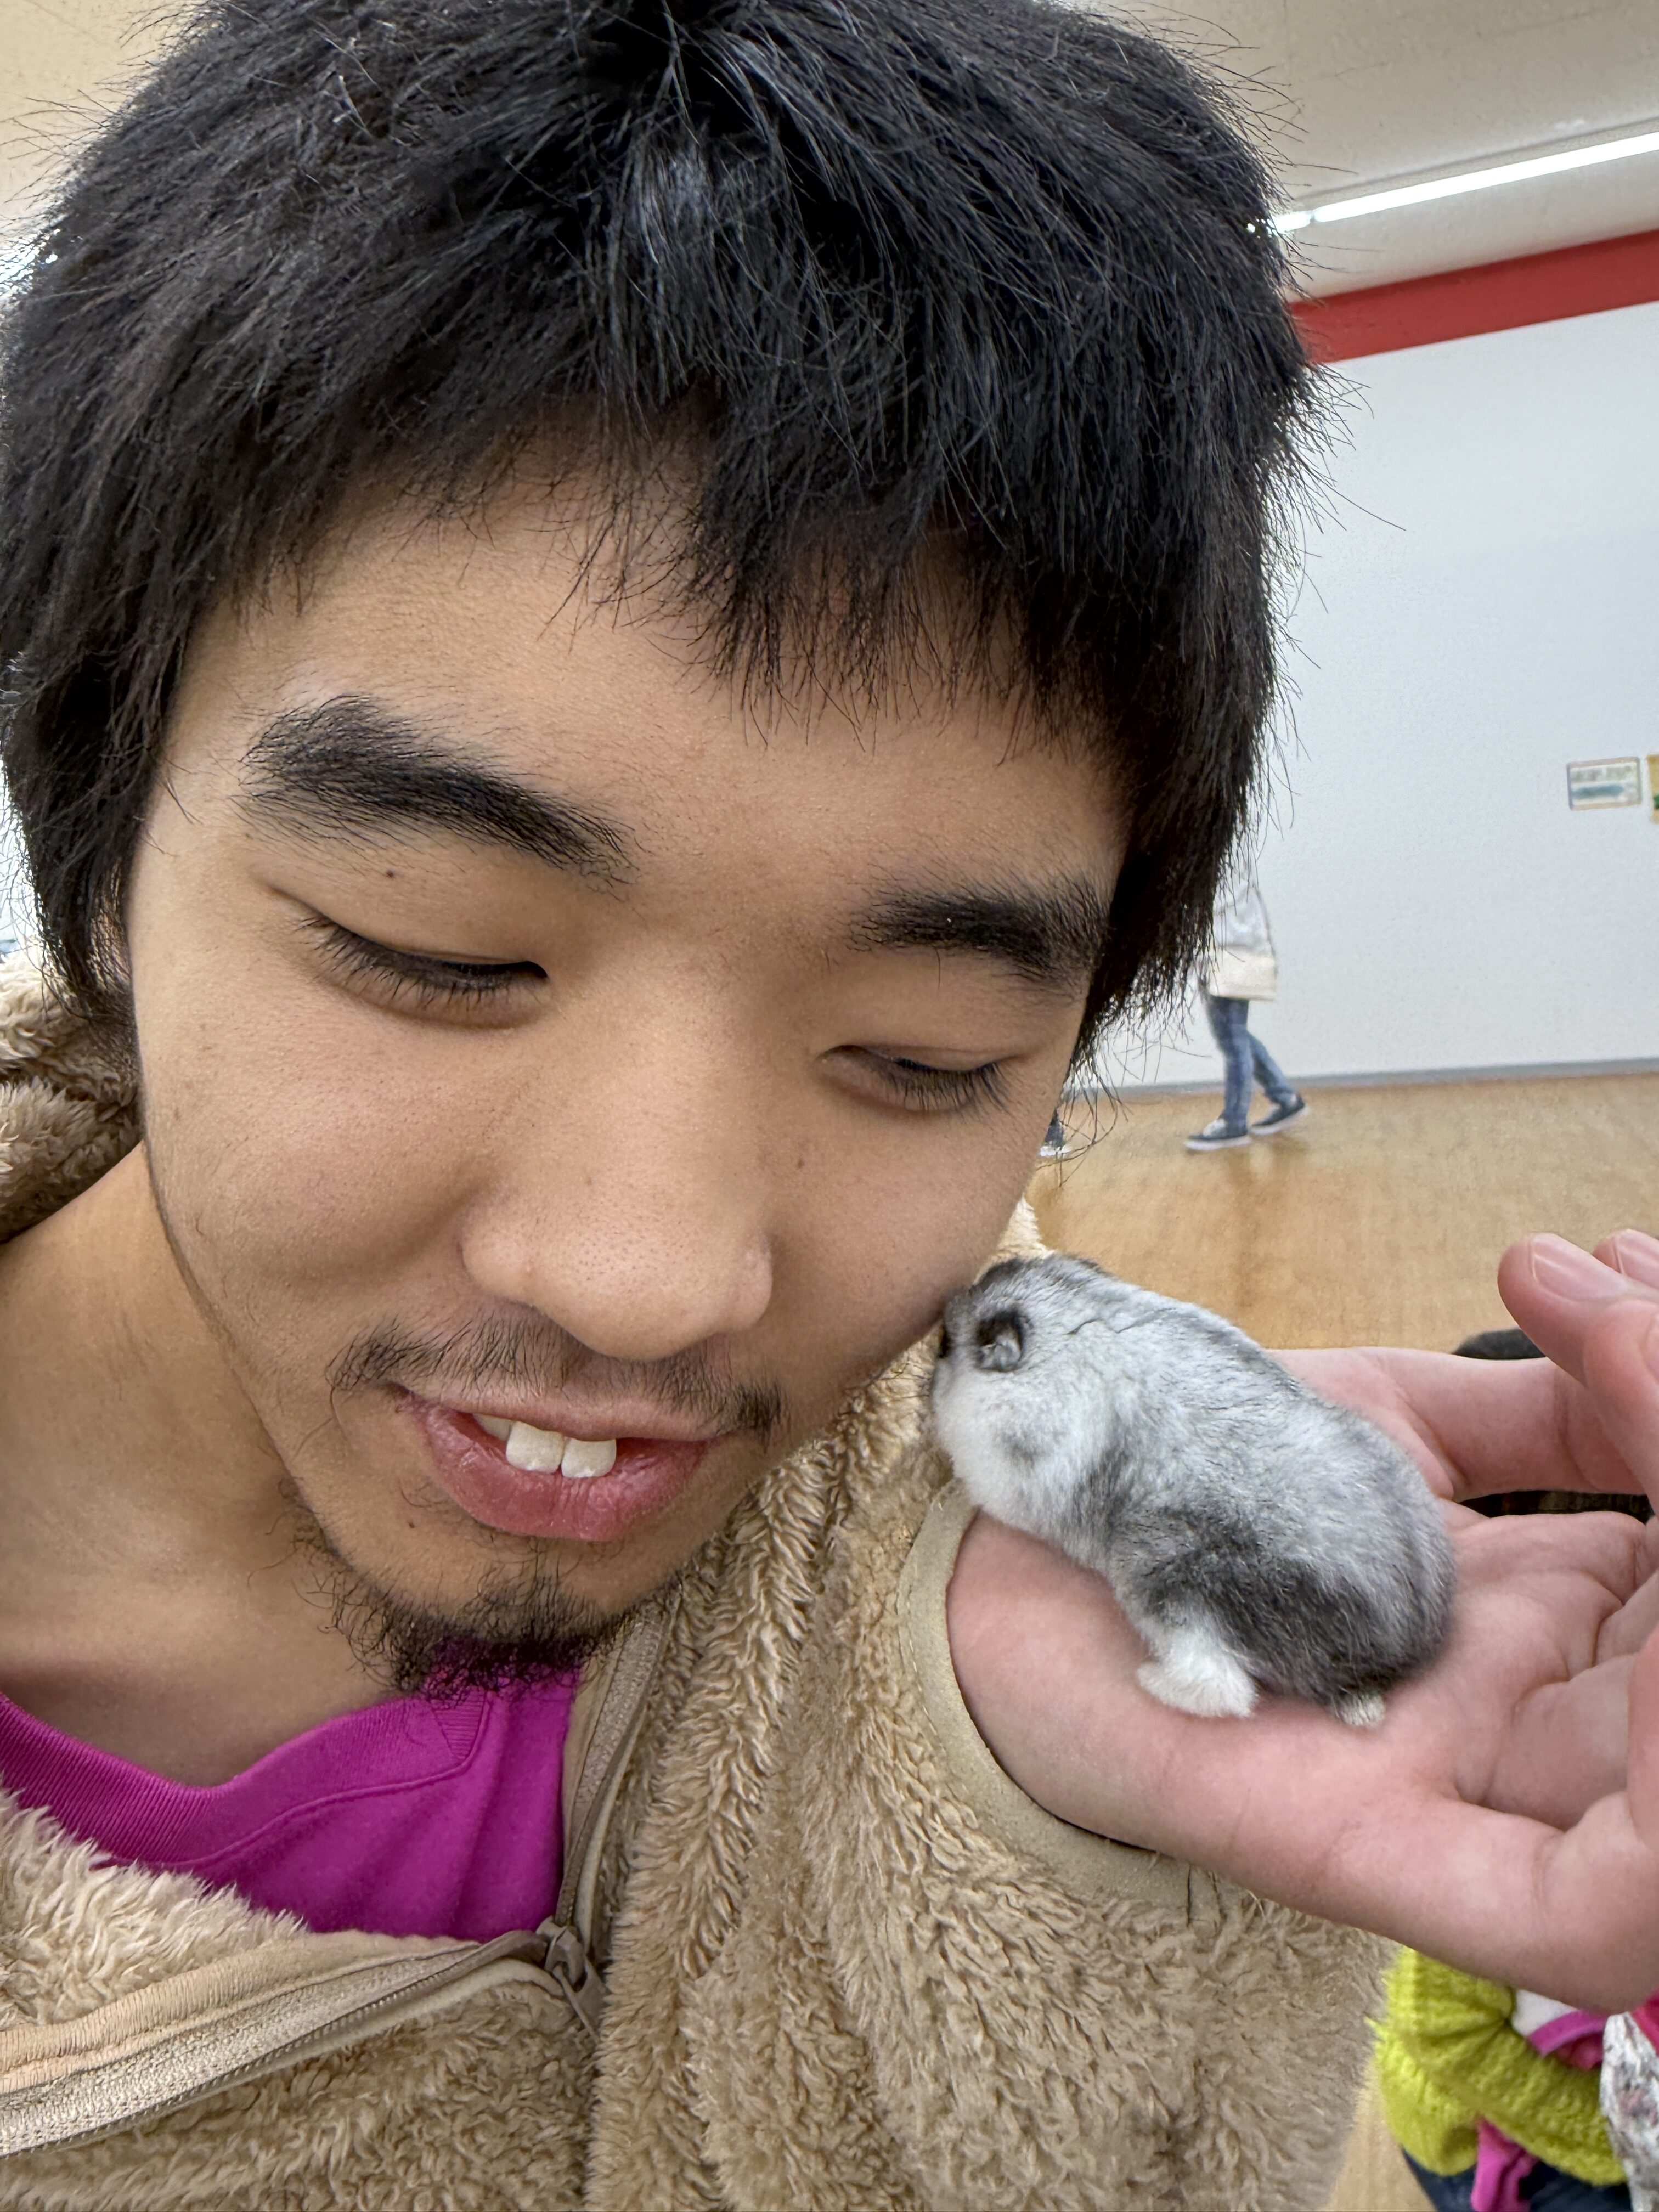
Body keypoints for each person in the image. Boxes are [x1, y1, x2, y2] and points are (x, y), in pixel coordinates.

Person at [4, 3, 1659, 2207]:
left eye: (926, 1054)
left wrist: (1039, 1835)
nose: (648, 1278)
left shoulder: (1051, 1590)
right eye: (439, 945)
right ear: (98, 850)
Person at [1188, 869, 1308, 1149]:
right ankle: (1285, 1098)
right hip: (1230, 955)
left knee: (1233, 1040)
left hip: (1229, 956)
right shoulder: (1226, 865)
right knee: (1235, 1036)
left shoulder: (1219, 865)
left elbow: (1213, 914)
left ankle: (1234, 1122)